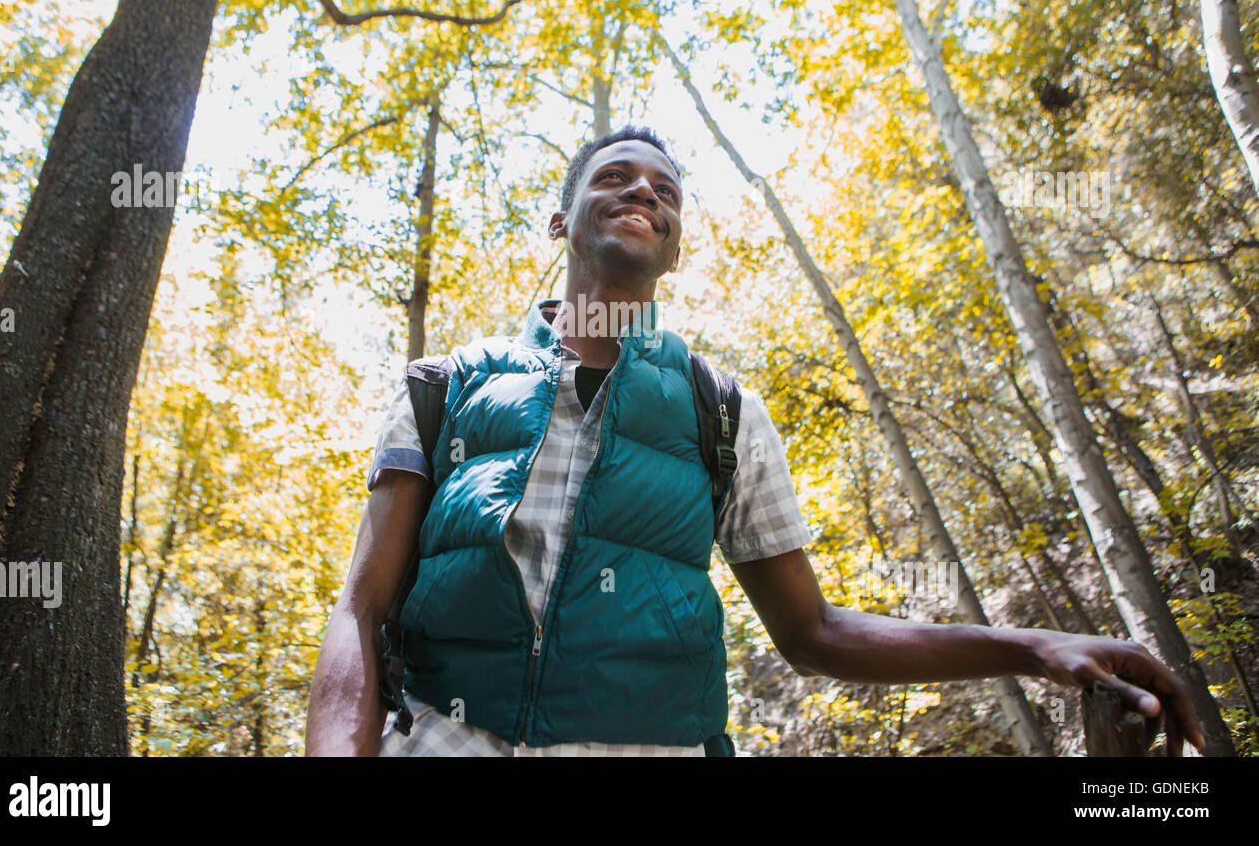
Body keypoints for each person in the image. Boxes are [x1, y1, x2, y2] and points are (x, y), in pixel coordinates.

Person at [305, 125, 1205, 757]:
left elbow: (813, 632)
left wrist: (1034, 648)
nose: (643, 192)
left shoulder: (722, 409)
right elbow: (362, 609)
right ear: (560, 218)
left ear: (676, 245)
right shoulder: (442, 386)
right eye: (615, 177)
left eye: (665, 190)